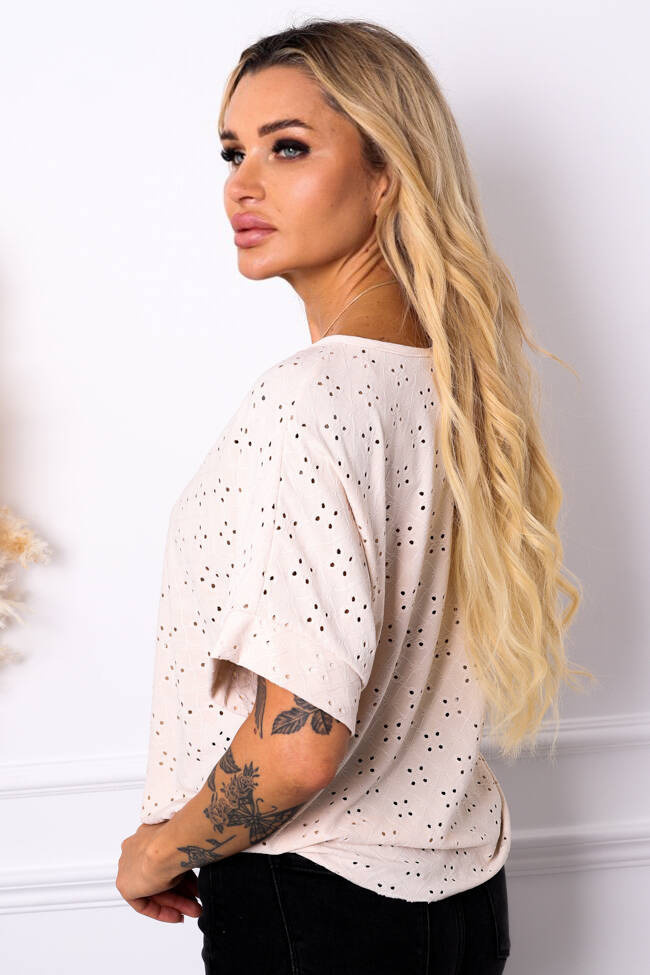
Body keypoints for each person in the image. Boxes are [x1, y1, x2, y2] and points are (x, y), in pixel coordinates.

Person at [116, 17, 597, 974]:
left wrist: (158, 850)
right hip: (461, 900)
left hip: (313, 907)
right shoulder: (457, 388)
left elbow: (299, 747)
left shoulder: (312, 398)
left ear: (387, 173)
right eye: (233, 152)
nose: (241, 184)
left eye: (288, 147)